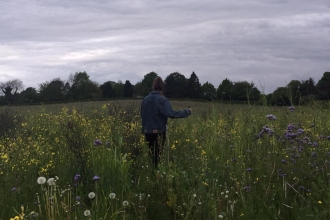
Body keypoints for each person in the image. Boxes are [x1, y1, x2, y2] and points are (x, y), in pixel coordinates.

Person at [140, 76, 192, 168]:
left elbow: (142, 115)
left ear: (153, 86)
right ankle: (156, 176)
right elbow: (171, 114)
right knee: (157, 157)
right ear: (162, 87)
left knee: (152, 155)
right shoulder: (163, 99)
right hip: (158, 132)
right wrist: (187, 112)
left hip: (147, 132)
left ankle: (152, 174)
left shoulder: (145, 99)